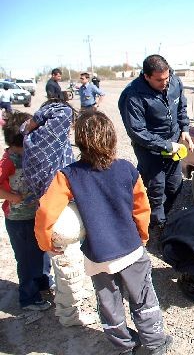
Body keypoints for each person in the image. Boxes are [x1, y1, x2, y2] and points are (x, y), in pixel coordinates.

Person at [35, 111, 173, 354]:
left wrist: (45, 241)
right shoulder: (127, 169)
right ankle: (154, 343)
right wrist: (141, 236)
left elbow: (46, 211)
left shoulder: (67, 175)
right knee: (143, 299)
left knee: (109, 303)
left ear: (79, 141)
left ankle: (124, 347)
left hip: (98, 255)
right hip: (130, 249)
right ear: (112, 139)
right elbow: (142, 207)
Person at [22, 99, 97, 326]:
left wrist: (31, 124)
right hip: (60, 213)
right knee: (70, 270)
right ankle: (70, 317)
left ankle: (67, 308)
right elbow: (61, 111)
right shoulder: (49, 136)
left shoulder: (32, 140)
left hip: (50, 213)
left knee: (63, 268)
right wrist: (39, 118)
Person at [118, 54, 194, 245]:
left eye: (166, 78)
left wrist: (184, 129)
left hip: (174, 146)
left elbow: (181, 107)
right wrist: (166, 145)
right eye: (159, 80)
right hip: (149, 151)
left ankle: (160, 218)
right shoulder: (132, 96)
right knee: (156, 190)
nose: (165, 83)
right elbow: (137, 131)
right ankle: (157, 229)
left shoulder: (174, 82)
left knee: (175, 186)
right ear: (146, 76)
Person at [0, 112, 53, 312]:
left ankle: (43, 282)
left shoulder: (29, 155)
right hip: (18, 219)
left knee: (40, 250)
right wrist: (13, 197)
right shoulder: (9, 160)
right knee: (26, 258)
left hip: (35, 215)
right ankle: (28, 297)